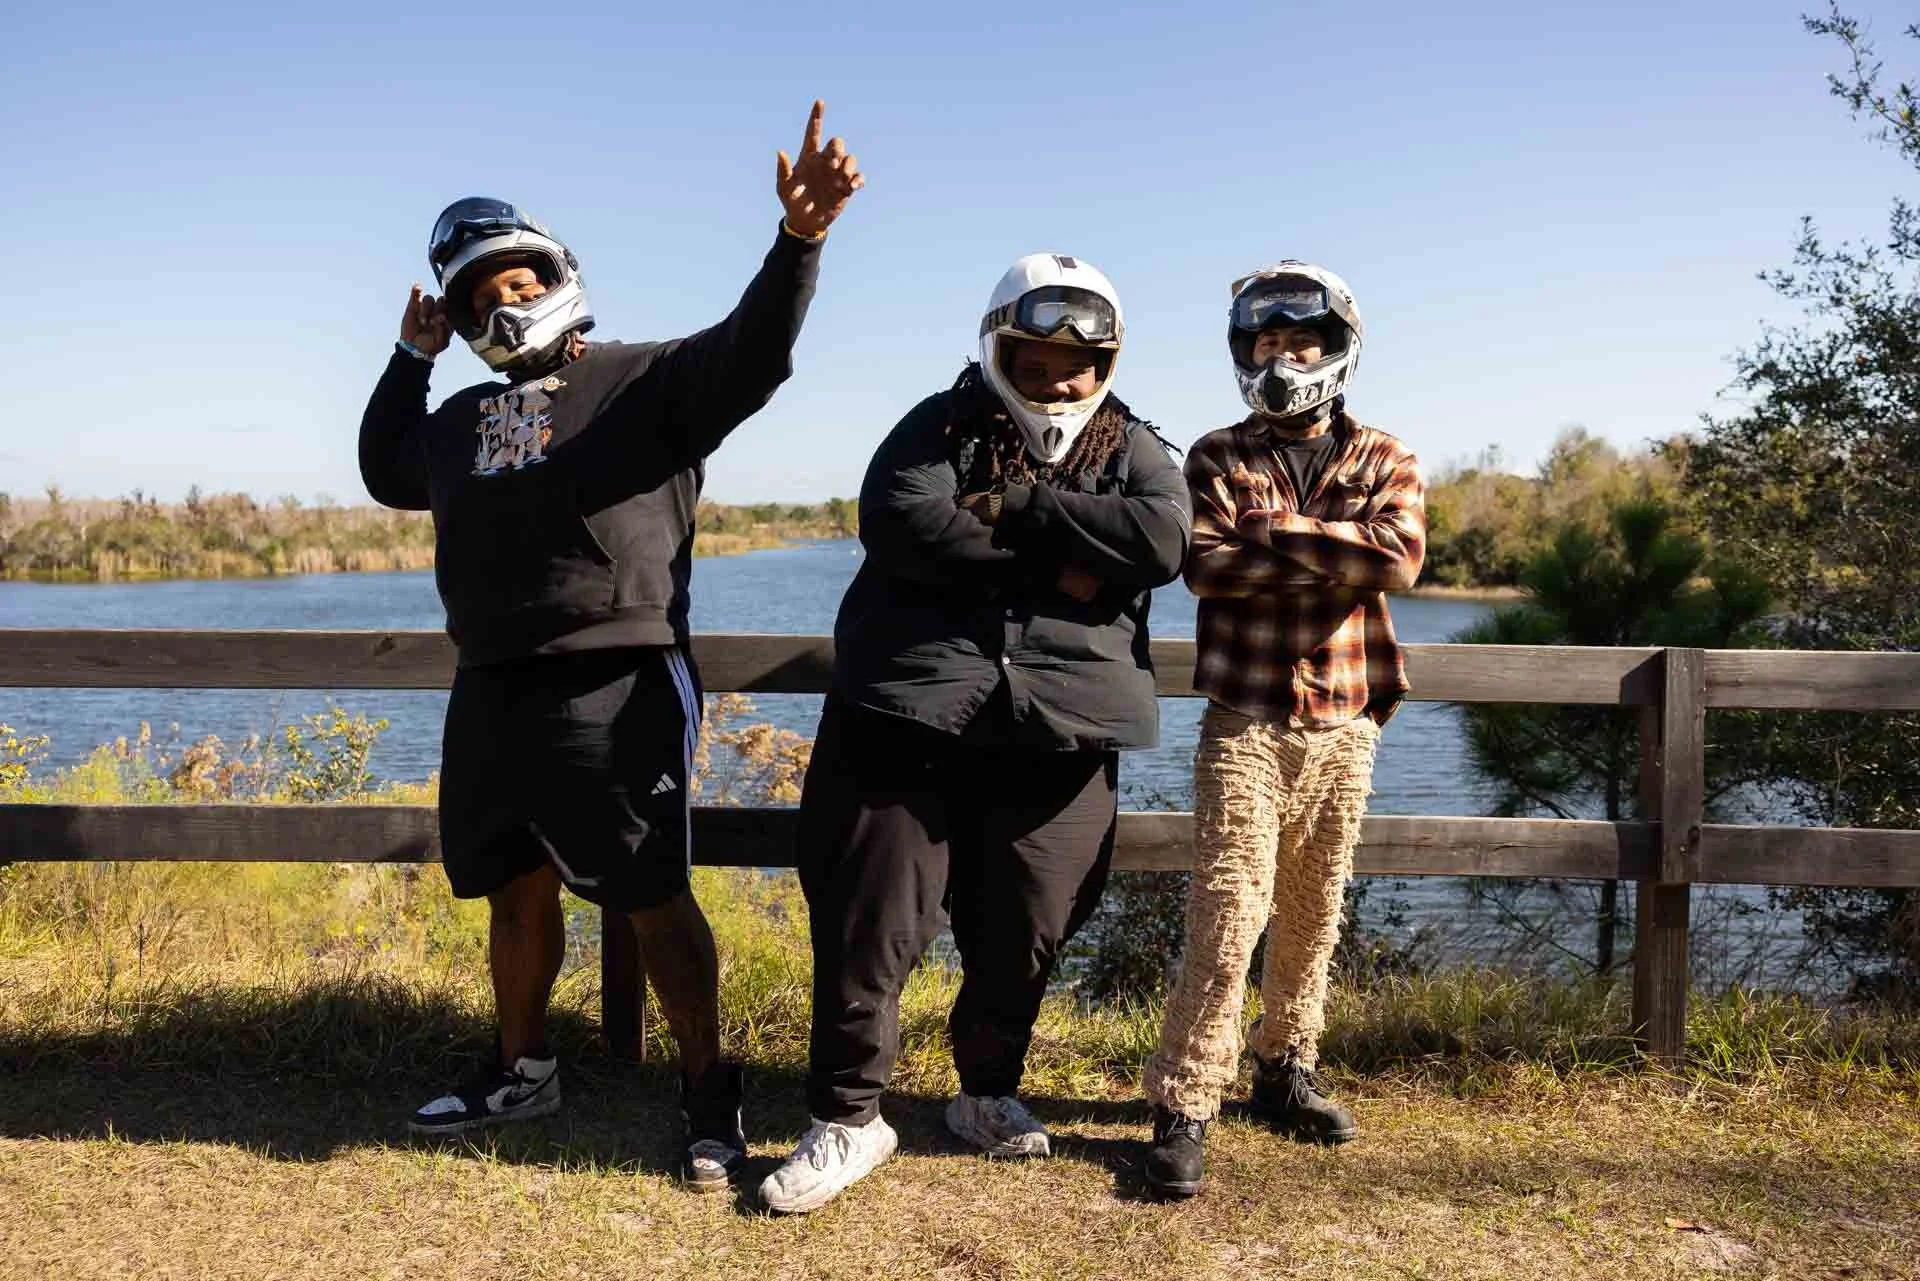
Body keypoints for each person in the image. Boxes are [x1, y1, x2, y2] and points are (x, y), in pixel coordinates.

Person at [356, 101, 863, 1195]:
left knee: (649, 891)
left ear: (563, 276)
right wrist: (411, 356)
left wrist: (800, 240)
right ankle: (521, 1068)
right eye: (478, 294)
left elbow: (756, 351)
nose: (505, 300)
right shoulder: (458, 423)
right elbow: (385, 468)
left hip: (619, 679)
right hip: (491, 688)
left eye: (521, 278)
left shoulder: (647, 383)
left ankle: (709, 1092)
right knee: (513, 888)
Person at [757, 254, 1192, 1213]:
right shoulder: (937, 425)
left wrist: (1026, 506)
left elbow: (1163, 542)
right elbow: (904, 521)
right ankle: (847, 1116)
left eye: (1079, 364)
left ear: (1109, 361)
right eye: (1034, 361)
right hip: (907, 715)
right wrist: (1076, 561)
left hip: (1063, 726)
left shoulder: (1138, 447)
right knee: (870, 917)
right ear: (998, 347)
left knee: (1031, 921)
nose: (1058, 382)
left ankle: (986, 1091)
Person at [1140, 261, 1426, 1198]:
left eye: (1299, 341)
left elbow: (1398, 559)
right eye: (1264, 343)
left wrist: (1273, 529)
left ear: (1337, 347)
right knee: (1227, 918)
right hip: (1247, 721)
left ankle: (1284, 1068)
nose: (1281, 357)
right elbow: (1208, 568)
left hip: (1349, 720)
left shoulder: (1386, 454)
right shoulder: (1215, 455)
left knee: (1313, 911)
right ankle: (1185, 1102)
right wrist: (1326, 550)